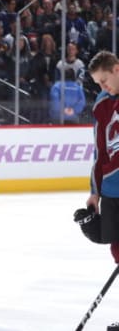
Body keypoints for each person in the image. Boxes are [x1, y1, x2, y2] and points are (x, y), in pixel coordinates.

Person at [86, 51, 119, 276]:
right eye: (98, 83)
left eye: (104, 81)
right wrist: (95, 192)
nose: (103, 87)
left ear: (116, 69)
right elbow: (100, 152)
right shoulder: (102, 103)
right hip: (112, 188)